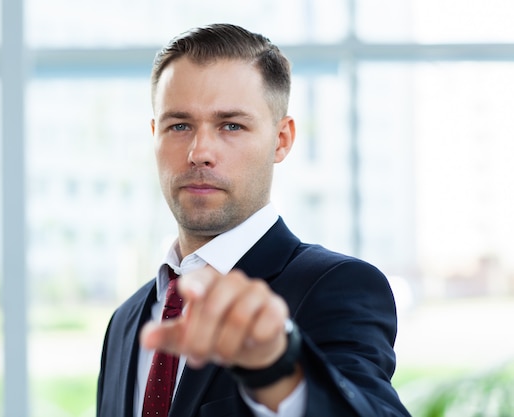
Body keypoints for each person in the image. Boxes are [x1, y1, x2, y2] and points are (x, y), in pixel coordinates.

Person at [97, 23, 411, 417]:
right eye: (179, 125)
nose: (200, 152)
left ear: (281, 140)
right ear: (154, 134)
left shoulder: (338, 287)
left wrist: (278, 372)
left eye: (231, 125)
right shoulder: (126, 321)